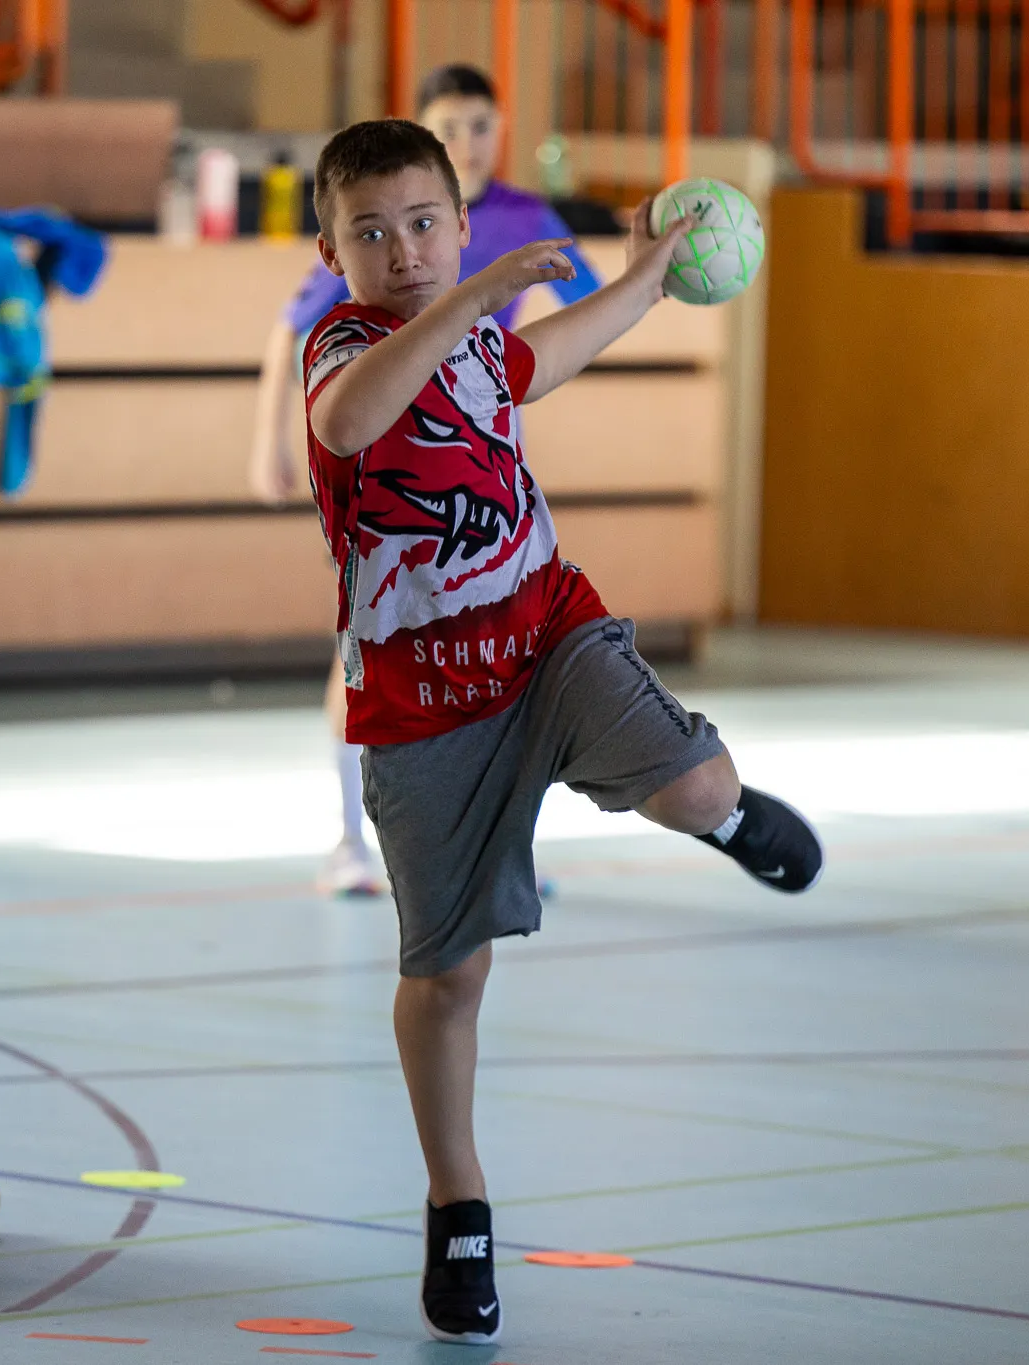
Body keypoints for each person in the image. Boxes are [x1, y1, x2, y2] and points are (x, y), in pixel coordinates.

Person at [300, 118, 823, 1346]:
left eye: (424, 223)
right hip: (420, 707)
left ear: (460, 221)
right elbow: (350, 424)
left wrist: (642, 275)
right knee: (447, 975)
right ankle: (458, 1205)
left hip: (543, 636)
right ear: (331, 250)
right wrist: (470, 295)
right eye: (369, 232)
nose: (403, 250)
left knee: (694, 787)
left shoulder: (476, 336)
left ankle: (728, 817)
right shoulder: (344, 347)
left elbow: (541, 358)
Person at [249, 63, 600, 898]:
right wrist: (267, 442)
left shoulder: (526, 216)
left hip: (473, 453)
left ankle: (500, 833)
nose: (469, 142)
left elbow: (557, 325)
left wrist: (654, 272)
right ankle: (349, 837)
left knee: (508, 652)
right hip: (385, 462)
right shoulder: (382, 222)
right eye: (451, 127)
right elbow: (291, 330)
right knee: (377, 647)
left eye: (482, 125)